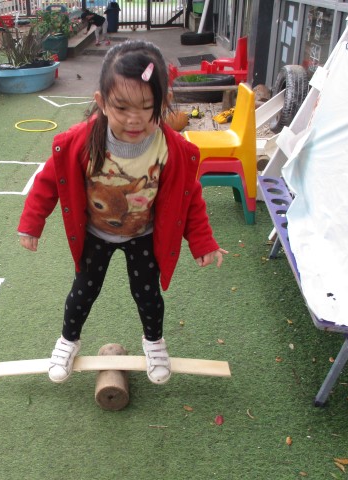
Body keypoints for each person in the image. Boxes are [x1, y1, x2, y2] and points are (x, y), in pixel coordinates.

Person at [17, 40, 227, 385]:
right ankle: (68, 341)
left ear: (163, 102)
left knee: (148, 294)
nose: (134, 119)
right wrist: (31, 224)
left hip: (143, 235)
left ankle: (154, 343)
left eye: (147, 107)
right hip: (96, 234)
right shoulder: (82, 142)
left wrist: (202, 242)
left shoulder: (169, 148)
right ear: (101, 102)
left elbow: (188, 197)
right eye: (122, 107)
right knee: (83, 291)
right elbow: (48, 181)